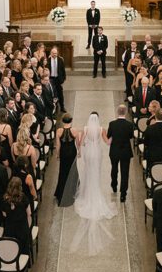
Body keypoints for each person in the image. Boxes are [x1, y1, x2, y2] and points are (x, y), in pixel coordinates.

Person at [70, 112, 118, 255]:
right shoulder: (101, 129)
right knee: (96, 174)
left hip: (88, 154)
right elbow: (108, 142)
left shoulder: (85, 129)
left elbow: (80, 142)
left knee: (88, 172)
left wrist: (79, 150)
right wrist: (114, 136)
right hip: (97, 153)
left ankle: (86, 194)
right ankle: (95, 192)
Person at [105, 105, 135, 202]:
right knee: (125, 172)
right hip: (126, 151)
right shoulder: (130, 125)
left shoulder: (112, 124)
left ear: (117, 112)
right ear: (125, 112)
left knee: (114, 168)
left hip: (114, 150)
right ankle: (123, 194)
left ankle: (114, 185)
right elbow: (131, 136)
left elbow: (108, 135)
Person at [1, 177, 32, 255]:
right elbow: (29, 213)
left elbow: (4, 214)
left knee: (12, 249)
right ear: (20, 187)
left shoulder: (5, 199)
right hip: (22, 229)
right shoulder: (23, 198)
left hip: (10, 229)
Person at [54, 114, 78, 206]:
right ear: (71, 120)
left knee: (63, 172)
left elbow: (58, 145)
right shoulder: (74, 131)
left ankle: (61, 192)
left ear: (63, 121)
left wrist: (57, 154)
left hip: (63, 153)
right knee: (72, 171)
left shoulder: (59, 131)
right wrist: (79, 152)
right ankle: (72, 191)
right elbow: (77, 143)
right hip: (72, 153)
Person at [48, 46, 67, 112]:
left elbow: (63, 70)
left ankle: (62, 107)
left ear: (57, 53)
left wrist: (63, 79)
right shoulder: (48, 60)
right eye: (53, 53)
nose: (54, 54)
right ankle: (55, 107)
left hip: (58, 79)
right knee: (52, 93)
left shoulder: (60, 60)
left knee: (60, 94)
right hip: (51, 79)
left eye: (55, 53)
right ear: (51, 53)